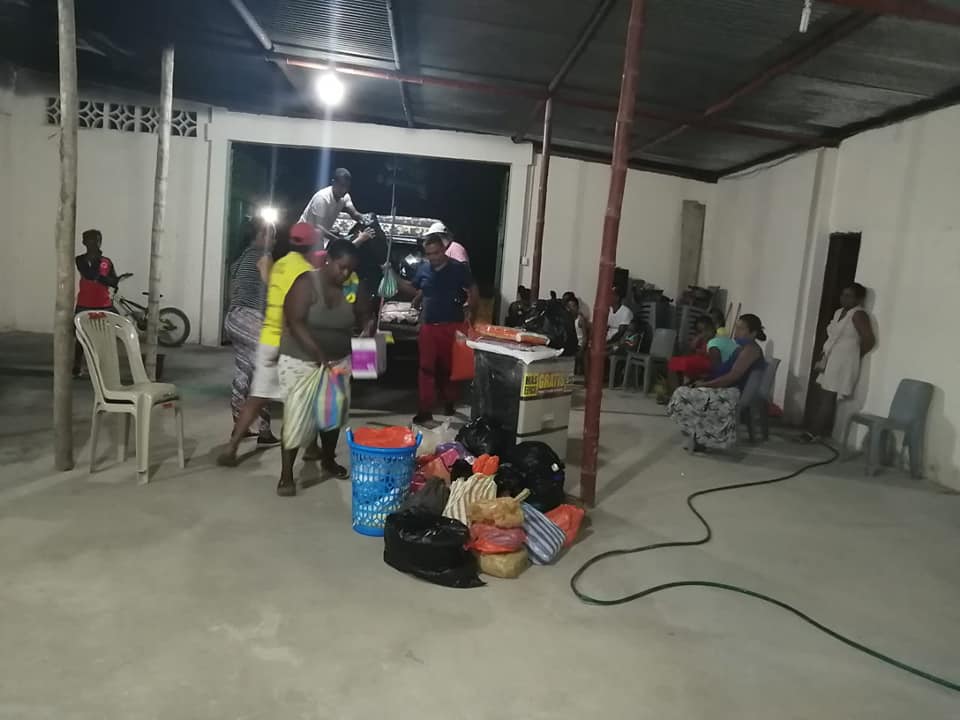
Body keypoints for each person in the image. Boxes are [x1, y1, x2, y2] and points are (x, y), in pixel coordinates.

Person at [217, 222, 317, 467]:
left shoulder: (275, 263)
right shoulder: (299, 270)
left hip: (258, 332)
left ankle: (236, 444)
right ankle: (306, 453)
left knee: (255, 391)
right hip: (279, 336)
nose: (273, 241)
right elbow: (293, 306)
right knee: (304, 398)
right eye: (270, 236)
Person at [276, 239, 362, 496]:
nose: (345, 273)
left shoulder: (352, 287)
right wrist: (321, 356)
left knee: (332, 415)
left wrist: (368, 327)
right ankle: (286, 475)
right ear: (328, 260)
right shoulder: (306, 283)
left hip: (338, 361)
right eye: (341, 267)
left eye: (350, 269)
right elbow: (295, 322)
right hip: (301, 360)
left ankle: (328, 459)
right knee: (296, 414)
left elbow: (364, 315)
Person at [404, 234, 478, 424]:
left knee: (449, 368)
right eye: (429, 254)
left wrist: (473, 313)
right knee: (426, 368)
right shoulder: (423, 269)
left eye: (436, 253)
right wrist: (415, 297)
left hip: (453, 325)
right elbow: (420, 287)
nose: (433, 257)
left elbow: (473, 288)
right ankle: (425, 410)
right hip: (429, 326)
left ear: (444, 250)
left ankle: (449, 401)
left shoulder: (458, 268)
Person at [667, 314, 767, 451]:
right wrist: (706, 380)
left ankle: (702, 437)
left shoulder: (751, 350)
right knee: (685, 391)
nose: (736, 331)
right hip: (729, 387)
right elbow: (724, 371)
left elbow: (732, 377)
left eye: (741, 328)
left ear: (753, 333)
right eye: (736, 327)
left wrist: (706, 384)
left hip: (733, 392)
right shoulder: (741, 349)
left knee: (684, 394)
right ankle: (699, 436)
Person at [223, 217, 278, 447]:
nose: (274, 240)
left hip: (233, 318)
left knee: (243, 371)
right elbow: (272, 287)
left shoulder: (241, 257)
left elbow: (234, 288)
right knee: (264, 370)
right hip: (250, 317)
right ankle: (264, 431)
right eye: (272, 235)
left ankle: (240, 424)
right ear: (261, 236)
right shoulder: (263, 256)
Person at [804, 283, 876, 441]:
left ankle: (814, 433)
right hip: (830, 358)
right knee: (823, 393)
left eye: (849, 296)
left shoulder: (858, 314)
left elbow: (869, 340)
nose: (844, 298)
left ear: (859, 299)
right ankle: (816, 429)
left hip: (844, 361)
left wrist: (854, 354)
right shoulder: (838, 312)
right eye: (843, 295)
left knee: (829, 395)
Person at [73, 229, 118, 376]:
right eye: (91, 240)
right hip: (84, 304)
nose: (95, 243)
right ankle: (77, 366)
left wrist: (103, 279)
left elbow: (114, 281)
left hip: (104, 305)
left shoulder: (107, 261)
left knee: (104, 337)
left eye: (98, 240)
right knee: (81, 337)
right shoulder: (80, 259)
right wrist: (103, 278)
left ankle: (102, 368)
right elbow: (89, 274)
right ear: (84, 242)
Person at [299, 168, 373, 248]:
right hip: (303, 235)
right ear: (333, 182)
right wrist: (338, 240)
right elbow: (318, 227)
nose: (344, 190)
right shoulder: (322, 198)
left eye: (347, 186)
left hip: (320, 236)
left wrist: (365, 219)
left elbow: (354, 213)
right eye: (342, 185)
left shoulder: (345, 197)